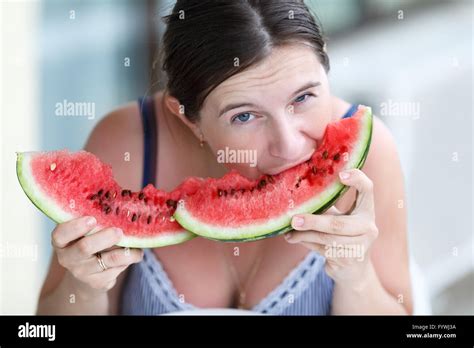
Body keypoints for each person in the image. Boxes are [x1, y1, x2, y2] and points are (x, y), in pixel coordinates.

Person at [37, 0, 412, 315]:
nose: (289, 145)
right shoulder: (129, 141)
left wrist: (357, 276)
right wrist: (83, 285)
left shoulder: (370, 151)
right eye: (244, 116)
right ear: (188, 117)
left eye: (303, 98)